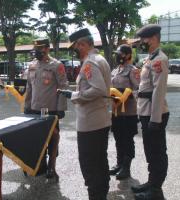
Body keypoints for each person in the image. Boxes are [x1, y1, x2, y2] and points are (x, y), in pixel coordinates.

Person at [58, 28, 111, 200]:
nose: (76, 50)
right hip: (99, 120)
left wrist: (75, 95)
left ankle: (96, 195)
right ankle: (100, 194)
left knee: (90, 164)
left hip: (91, 123)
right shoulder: (98, 59)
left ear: (83, 44)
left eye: (77, 46)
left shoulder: (90, 62)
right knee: (100, 162)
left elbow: (98, 89)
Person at [131, 24, 169, 200]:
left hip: (155, 114)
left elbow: (158, 91)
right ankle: (151, 182)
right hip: (146, 112)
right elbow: (145, 87)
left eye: (143, 39)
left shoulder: (160, 59)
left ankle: (155, 190)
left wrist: (155, 119)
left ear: (153, 38)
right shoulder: (149, 59)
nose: (141, 42)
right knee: (149, 150)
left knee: (157, 152)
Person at [24, 38, 68, 181]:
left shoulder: (56, 65)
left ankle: (52, 167)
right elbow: (29, 88)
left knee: (53, 137)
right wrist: (27, 106)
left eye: (41, 49)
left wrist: (61, 108)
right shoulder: (32, 65)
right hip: (35, 109)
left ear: (48, 48)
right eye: (36, 48)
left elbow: (63, 86)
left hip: (50, 109)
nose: (37, 51)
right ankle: (40, 165)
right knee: (37, 138)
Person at [109, 44, 140, 180]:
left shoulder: (133, 70)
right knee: (118, 137)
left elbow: (140, 89)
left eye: (120, 53)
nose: (118, 56)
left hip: (129, 112)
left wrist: (127, 94)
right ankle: (119, 163)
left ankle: (126, 167)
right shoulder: (115, 70)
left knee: (127, 139)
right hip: (116, 111)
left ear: (127, 55)